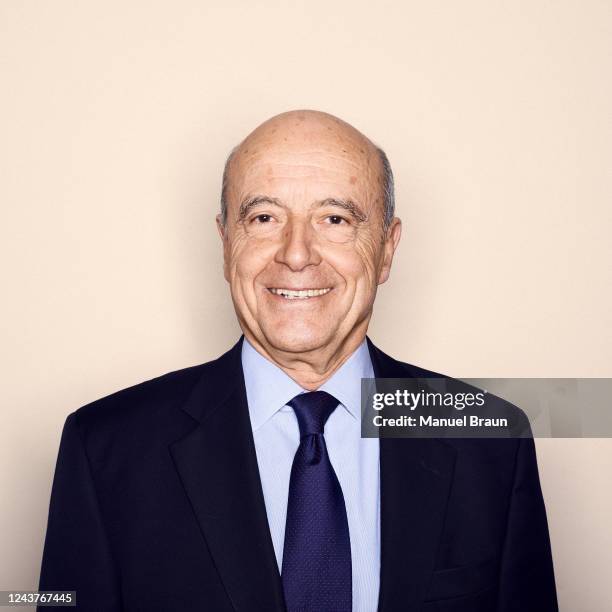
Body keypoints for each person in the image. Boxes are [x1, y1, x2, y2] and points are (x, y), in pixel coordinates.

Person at [38, 110, 558, 611]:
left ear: (386, 249)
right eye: (264, 218)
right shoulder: (105, 447)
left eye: (335, 219)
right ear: (225, 244)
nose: (296, 253)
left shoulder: (487, 439)